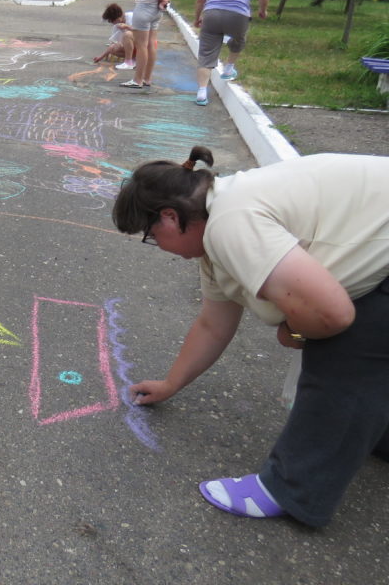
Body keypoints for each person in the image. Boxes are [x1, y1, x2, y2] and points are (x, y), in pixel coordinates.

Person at [112, 146, 389, 527]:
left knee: (346, 356)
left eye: (151, 236)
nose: (157, 246)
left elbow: (333, 314)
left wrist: (295, 330)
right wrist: (170, 384)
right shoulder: (215, 233)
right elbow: (214, 324)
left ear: (170, 217)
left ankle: (291, 489)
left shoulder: (231, 222)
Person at [193, 0, 269, 106]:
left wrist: (197, 17)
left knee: (206, 54)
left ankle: (201, 93)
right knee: (239, 39)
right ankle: (229, 68)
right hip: (239, 15)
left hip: (211, 14)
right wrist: (263, 10)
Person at [93, 3, 135, 69]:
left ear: (118, 17)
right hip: (134, 47)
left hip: (143, 43)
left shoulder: (132, 17)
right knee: (113, 49)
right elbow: (113, 44)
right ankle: (134, 59)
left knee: (127, 34)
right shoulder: (117, 26)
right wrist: (101, 57)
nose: (113, 23)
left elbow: (143, 32)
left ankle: (129, 62)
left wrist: (127, 27)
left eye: (113, 21)